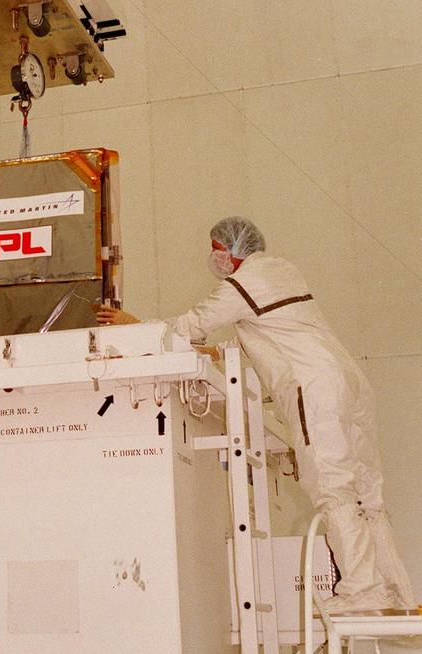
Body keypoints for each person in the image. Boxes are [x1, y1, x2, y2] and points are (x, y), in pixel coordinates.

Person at [96, 217, 415, 616]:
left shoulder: (243, 283)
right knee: (367, 492)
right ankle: (394, 589)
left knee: (332, 486)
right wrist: (216, 353)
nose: (212, 257)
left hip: (314, 387)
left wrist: (135, 328)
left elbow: (190, 325)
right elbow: (264, 335)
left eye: (215, 247)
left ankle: (363, 590)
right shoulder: (282, 272)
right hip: (349, 384)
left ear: (231, 250)